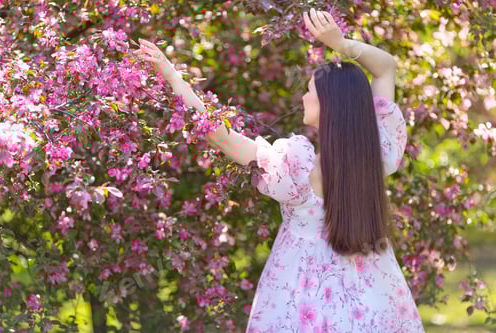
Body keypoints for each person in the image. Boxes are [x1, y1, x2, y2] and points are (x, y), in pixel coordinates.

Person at [135, 7, 425, 333]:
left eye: (310, 92)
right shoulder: (377, 153)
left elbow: (220, 136)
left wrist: (172, 75)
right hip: (371, 301)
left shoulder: (297, 169)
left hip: (302, 302)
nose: (303, 97)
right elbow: (386, 68)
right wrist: (341, 43)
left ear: (328, 106)